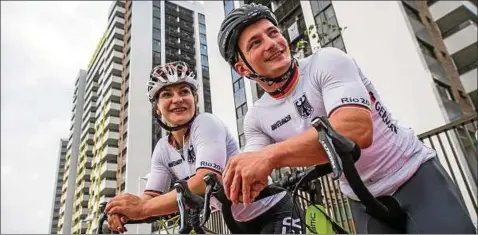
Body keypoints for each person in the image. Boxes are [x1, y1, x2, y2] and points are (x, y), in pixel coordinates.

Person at [217, 3, 476, 234]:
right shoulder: (256, 117)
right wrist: (243, 182)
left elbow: (354, 132)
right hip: (360, 198)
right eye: (255, 43)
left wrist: (269, 157)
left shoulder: (326, 62)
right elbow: (252, 165)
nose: (272, 43)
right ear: (242, 69)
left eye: (273, 32)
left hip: (413, 173)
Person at [103, 61, 304, 234]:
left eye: (184, 92)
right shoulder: (163, 148)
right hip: (237, 221)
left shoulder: (206, 123)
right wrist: (122, 211)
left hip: (273, 210)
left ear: (195, 100)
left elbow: (205, 181)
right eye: (166, 94)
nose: (177, 99)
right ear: (157, 107)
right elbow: (151, 198)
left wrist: (142, 208)